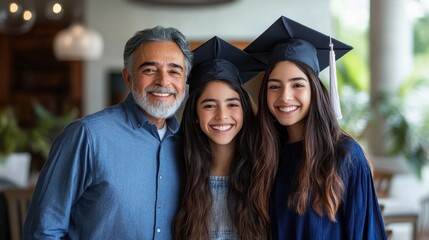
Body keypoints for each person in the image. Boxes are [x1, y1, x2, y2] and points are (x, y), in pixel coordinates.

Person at [23, 25, 193, 239]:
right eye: (149, 70)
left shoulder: (188, 144)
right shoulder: (86, 136)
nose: (163, 81)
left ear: (184, 81)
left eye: (174, 71)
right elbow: (43, 231)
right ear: (128, 78)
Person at [245, 16, 387, 239]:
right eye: (275, 86)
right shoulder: (265, 155)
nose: (285, 96)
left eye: (297, 85)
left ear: (315, 90)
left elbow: (366, 233)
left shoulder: (344, 155)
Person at [173, 36, 269, 240]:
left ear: (244, 110)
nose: (222, 115)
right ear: (195, 116)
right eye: (209, 105)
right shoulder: (179, 176)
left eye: (232, 104)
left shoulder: (264, 174)